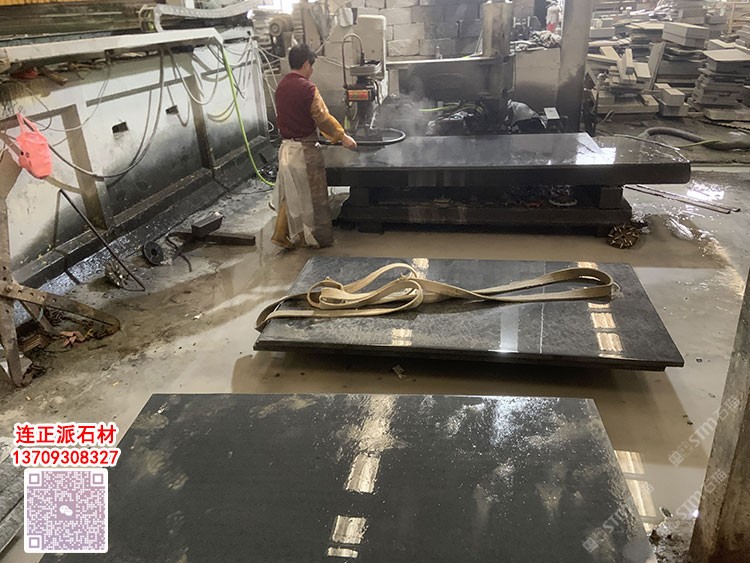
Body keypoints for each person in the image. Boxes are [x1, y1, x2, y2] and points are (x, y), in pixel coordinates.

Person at [271, 43, 357, 249]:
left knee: (292, 194)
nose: (312, 71)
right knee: (315, 199)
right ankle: (319, 239)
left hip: (286, 149)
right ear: (306, 64)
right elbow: (322, 117)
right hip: (305, 152)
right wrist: (342, 136)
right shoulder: (308, 88)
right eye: (312, 66)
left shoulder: (281, 86)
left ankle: (281, 233)